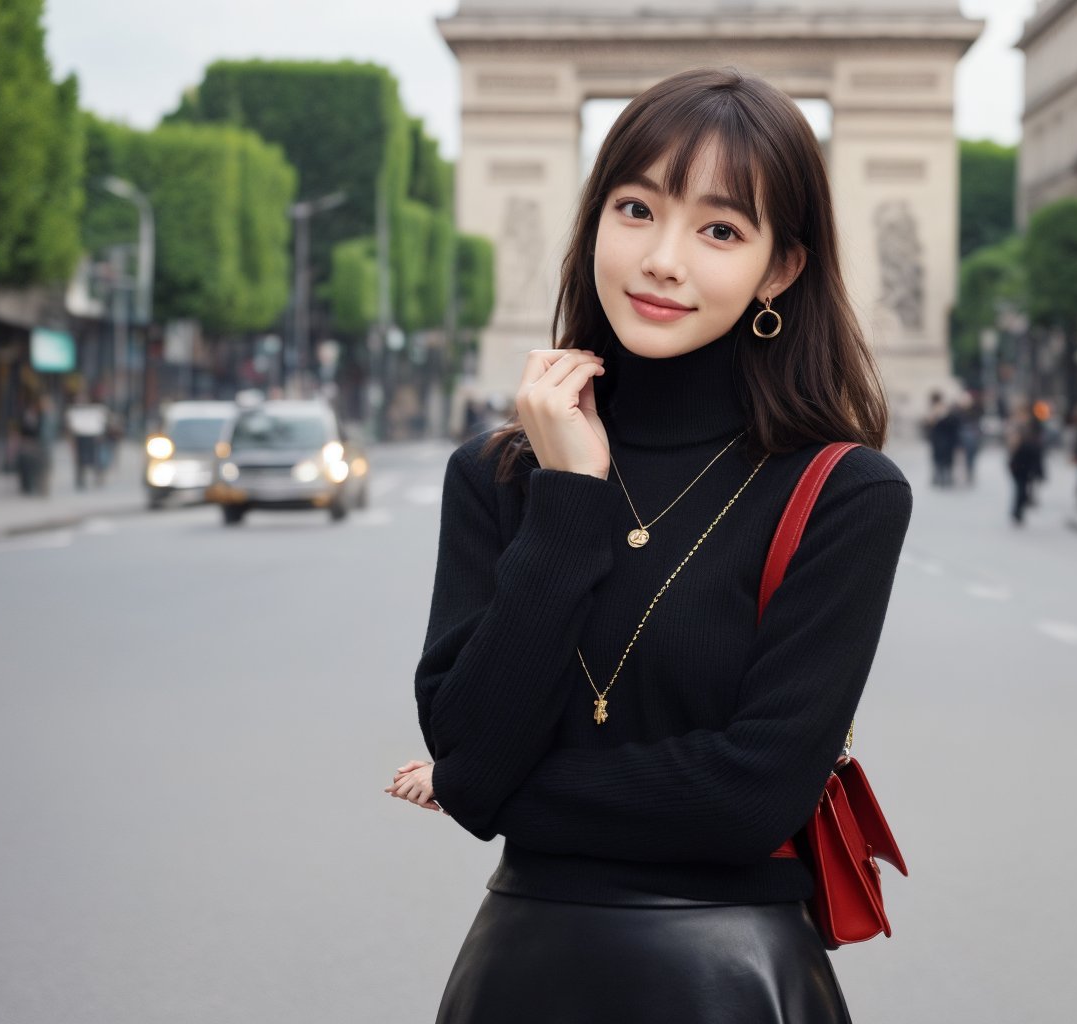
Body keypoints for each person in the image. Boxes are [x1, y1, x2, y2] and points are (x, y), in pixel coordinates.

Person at [386, 68, 912, 1023]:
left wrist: (485, 790)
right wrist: (570, 498)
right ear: (592, 221)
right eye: (636, 209)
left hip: (734, 981)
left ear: (781, 269)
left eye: (721, 230)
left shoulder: (844, 494)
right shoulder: (498, 477)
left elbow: (751, 798)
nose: (663, 259)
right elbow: (468, 736)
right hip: (522, 975)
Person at [1008, 409, 1044, 525]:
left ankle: (1019, 510)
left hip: (1029, 465)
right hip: (1018, 465)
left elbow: (1038, 452)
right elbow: (1012, 447)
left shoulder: (1034, 432)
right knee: (1020, 489)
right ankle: (1017, 511)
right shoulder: (1016, 430)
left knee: (1024, 489)